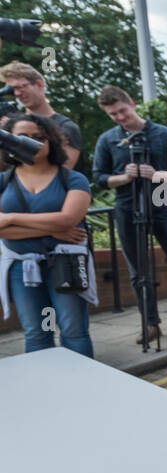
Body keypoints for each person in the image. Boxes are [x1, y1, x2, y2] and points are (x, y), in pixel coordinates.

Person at [91, 86, 167, 342]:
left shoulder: (164, 135)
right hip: (127, 210)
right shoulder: (107, 140)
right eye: (113, 114)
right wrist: (125, 176)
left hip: (162, 207)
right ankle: (150, 324)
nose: (120, 117)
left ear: (132, 103)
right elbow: (99, 179)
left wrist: (157, 174)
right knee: (138, 273)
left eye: (122, 111)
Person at [0, 113, 94, 357]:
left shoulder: (72, 179)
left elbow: (68, 219)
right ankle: (45, 391)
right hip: (23, 270)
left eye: (38, 136)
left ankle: (83, 388)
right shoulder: (3, 182)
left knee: (72, 330)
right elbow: (59, 224)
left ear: (51, 140)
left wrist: (9, 219)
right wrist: (53, 228)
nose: (32, 142)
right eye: (22, 137)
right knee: (37, 332)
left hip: (65, 264)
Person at [0, 61, 84, 172]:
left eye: (21, 87)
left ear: (39, 84)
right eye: (13, 90)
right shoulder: (11, 126)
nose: (17, 93)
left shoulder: (66, 127)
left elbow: (61, 171)